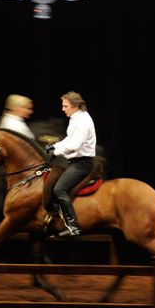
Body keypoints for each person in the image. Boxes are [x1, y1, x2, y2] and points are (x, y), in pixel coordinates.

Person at [46, 91, 96, 237]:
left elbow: (75, 144)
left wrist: (55, 152)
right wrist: (55, 146)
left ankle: (74, 226)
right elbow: (69, 139)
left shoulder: (83, 121)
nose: (63, 109)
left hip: (82, 164)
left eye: (65, 106)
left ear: (75, 106)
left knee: (59, 189)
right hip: (74, 162)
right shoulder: (75, 118)